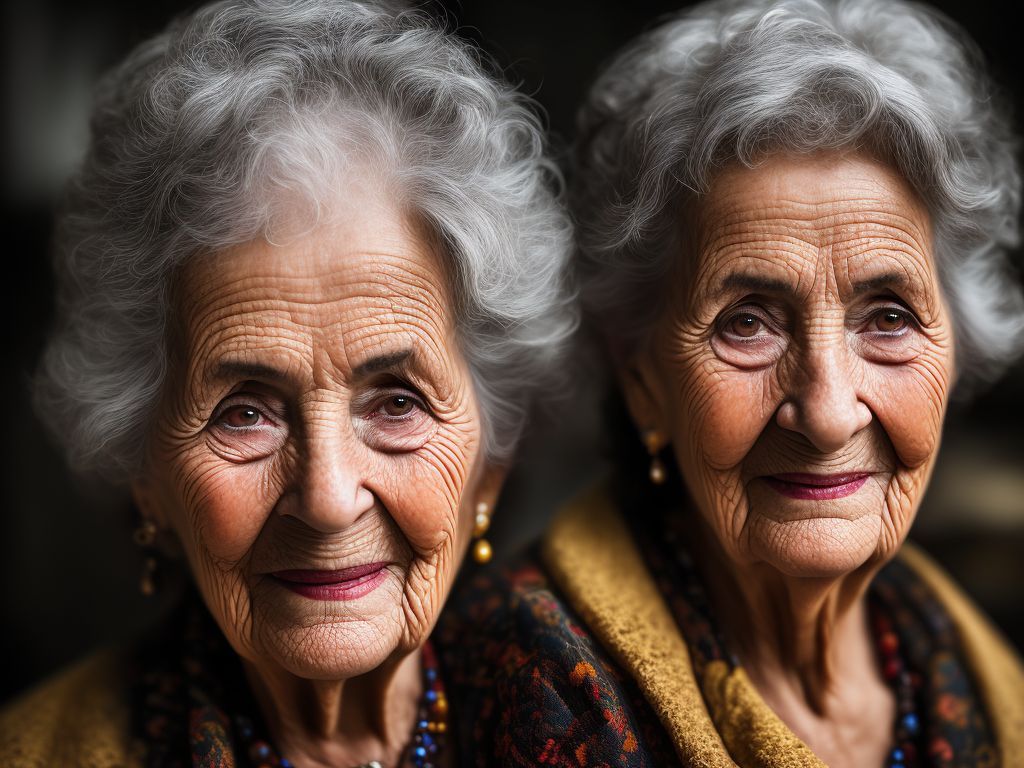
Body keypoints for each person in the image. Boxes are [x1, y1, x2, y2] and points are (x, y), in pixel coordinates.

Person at [435, 0, 1024, 765]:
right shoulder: (536, 691)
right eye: (747, 322)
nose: (828, 412)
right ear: (640, 373)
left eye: (887, 317)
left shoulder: (958, 656)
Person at [0, 0, 575, 765]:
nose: (329, 500)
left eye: (397, 402)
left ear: (490, 466)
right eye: (244, 414)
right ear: (146, 476)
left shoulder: (621, 722)